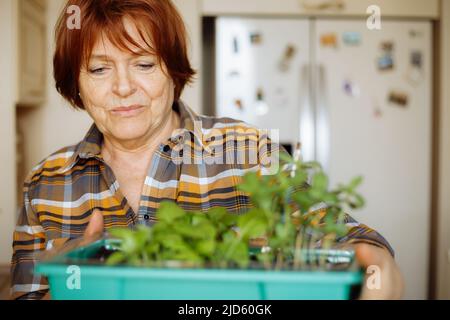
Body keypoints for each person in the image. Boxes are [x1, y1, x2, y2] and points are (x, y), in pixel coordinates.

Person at [10, 0, 403, 300]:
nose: (123, 87)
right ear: (74, 83)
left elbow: (349, 239)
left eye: (144, 64)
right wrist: (70, 282)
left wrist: (373, 262)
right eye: (99, 69)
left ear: (173, 70)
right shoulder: (45, 183)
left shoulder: (247, 151)